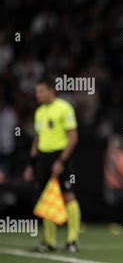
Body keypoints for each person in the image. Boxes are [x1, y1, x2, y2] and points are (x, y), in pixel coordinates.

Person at [23, 77, 81, 252]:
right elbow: (37, 138)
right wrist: (31, 164)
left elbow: (73, 136)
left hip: (60, 155)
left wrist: (61, 161)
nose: (37, 95)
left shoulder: (64, 108)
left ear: (51, 90)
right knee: (46, 198)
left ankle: (72, 240)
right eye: (36, 92)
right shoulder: (39, 112)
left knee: (68, 196)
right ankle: (49, 241)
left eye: (41, 91)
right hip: (43, 157)